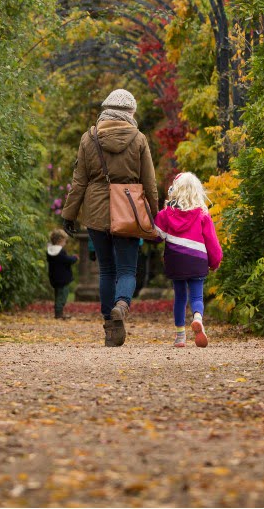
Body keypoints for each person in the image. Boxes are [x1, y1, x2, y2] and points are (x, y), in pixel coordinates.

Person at [60, 88, 158, 347]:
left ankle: (110, 327)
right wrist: (155, 216)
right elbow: (149, 182)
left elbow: (79, 181)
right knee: (127, 268)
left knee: (106, 270)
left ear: (106, 110)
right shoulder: (138, 139)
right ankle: (123, 304)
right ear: (130, 112)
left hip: (96, 210)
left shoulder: (89, 138)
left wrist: (69, 214)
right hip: (129, 208)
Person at [153, 172, 223, 348]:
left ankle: (180, 336)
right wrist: (215, 262)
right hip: (197, 260)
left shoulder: (166, 214)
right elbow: (212, 242)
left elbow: (156, 236)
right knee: (197, 295)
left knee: (180, 297)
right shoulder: (202, 215)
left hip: (176, 261)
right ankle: (198, 318)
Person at [46, 229, 78, 320]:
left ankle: (58, 312)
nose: (65, 243)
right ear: (60, 240)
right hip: (63, 278)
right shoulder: (60, 252)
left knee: (57, 295)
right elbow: (67, 260)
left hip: (54, 277)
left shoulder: (50, 251)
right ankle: (59, 313)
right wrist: (74, 258)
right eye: (64, 241)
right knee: (63, 296)